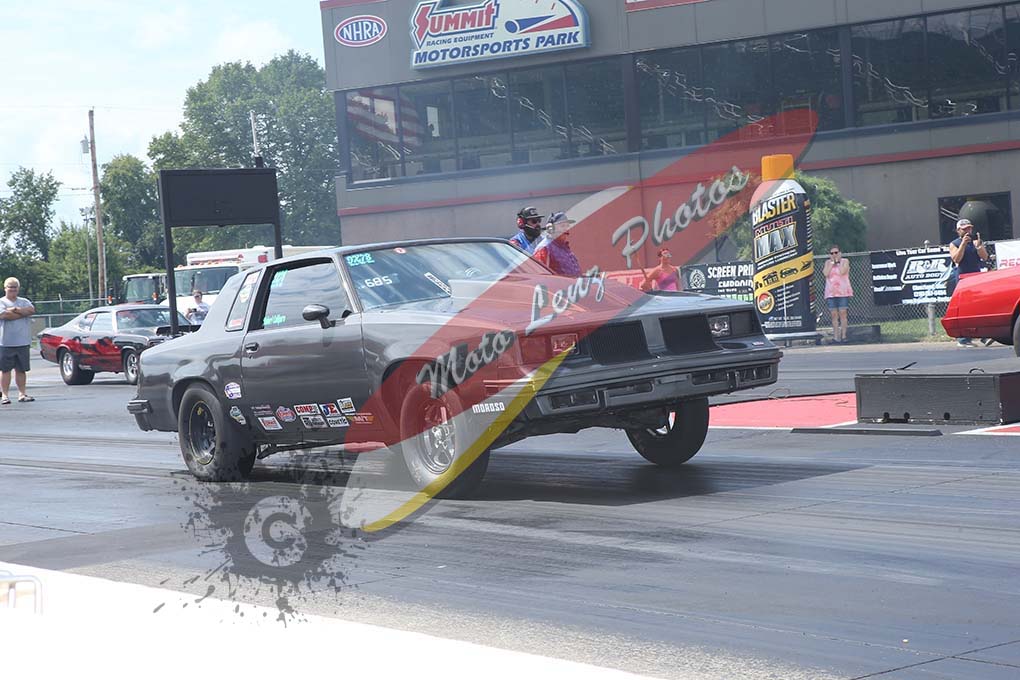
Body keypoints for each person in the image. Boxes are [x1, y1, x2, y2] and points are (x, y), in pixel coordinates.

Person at [948, 218, 989, 347]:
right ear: (958, 230)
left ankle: (984, 335)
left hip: (975, 277)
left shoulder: (975, 241)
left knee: (980, 306)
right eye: (965, 229)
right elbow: (956, 259)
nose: (968, 231)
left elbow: (985, 257)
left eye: (969, 228)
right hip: (963, 279)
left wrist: (979, 246)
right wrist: (963, 244)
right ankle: (963, 339)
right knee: (964, 308)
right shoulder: (954, 243)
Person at [0, 277, 36, 404]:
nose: (12, 289)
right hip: (5, 343)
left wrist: (15, 310)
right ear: (5, 288)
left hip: (23, 342)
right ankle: (5, 395)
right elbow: (4, 315)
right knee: (5, 370)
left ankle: (22, 394)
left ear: (18, 288)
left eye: (15, 287)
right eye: (10, 287)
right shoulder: (1, 302)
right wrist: (22, 313)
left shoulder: (24, 301)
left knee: (21, 370)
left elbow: (31, 310)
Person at [533, 211, 581, 276]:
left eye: (567, 226)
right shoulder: (544, 248)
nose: (566, 229)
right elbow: (540, 275)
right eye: (562, 226)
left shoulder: (564, 246)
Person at [823, 245, 853, 343]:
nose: (834, 255)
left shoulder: (845, 261)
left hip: (842, 291)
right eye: (832, 253)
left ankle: (844, 336)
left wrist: (838, 262)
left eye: (836, 252)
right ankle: (836, 337)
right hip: (831, 292)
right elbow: (826, 273)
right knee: (834, 315)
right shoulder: (828, 263)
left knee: (843, 313)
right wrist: (832, 263)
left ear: (840, 253)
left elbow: (842, 272)